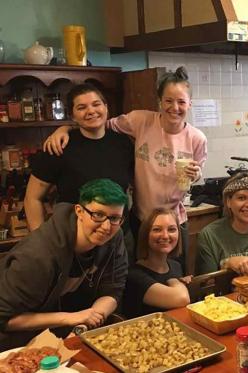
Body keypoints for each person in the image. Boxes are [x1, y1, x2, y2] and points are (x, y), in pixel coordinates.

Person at [44, 67, 208, 274]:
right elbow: (98, 124)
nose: (174, 107)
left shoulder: (197, 138)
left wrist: (197, 174)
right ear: (159, 102)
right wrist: (65, 128)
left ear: (190, 104)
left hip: (174, 220)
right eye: (168, 101)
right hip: (141, 219)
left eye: (181, 102)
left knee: (177, 276)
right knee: (137, 279)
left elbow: (197, 173)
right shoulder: (140, 120)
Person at [0, 179, 129, 350]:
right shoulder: (37, 255)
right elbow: (4, 319)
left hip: (65, 333)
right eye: (97, 214)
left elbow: (113, 291)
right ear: (79, 211)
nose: (106, 226)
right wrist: (69, 318)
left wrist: (85, 323)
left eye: (114, 218)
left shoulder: (115, 236)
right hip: (15, 344)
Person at [24, 83, 134, 231]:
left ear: (106, 107)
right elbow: (32, 198)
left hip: (119, 235)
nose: (91, 111)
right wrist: (39, 240)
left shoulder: (123, 143)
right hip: (74, 239)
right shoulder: (59, 146)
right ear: (72, 116)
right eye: (81, 107)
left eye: (96, 104)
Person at [123, 208, 191, 318]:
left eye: (171, 229)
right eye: (157, 230)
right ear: (145, 234)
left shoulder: (175, 266)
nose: (165, 236)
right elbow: (182, 298)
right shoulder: (134, 276)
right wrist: (176, 282)